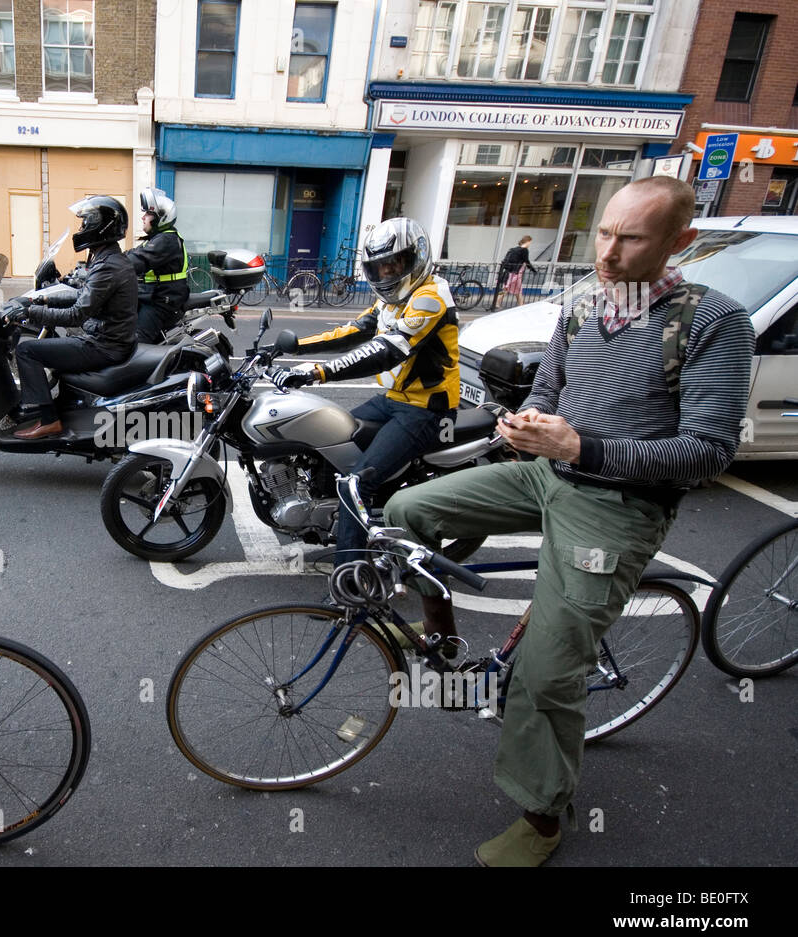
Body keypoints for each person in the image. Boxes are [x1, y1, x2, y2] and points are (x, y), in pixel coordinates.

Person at [382, 176, 755, 866]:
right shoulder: (585, 303)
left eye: (631, 238)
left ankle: (543, 816)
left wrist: (581, 446)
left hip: (617, 503)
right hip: (545, 471)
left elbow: (708, 451)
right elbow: (551, 391)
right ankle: (444, 640)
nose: (608, 253)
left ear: (681, 240)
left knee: (547, 676)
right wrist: (524, 423)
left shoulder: (713, 321)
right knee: (405, 511)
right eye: (605, 232)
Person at [272, 218, 459, 567]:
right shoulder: (391, 301)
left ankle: (352, 572)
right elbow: (353, 331)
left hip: (424, 410)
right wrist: (295, 347)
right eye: (378, 267)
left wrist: (316, 373)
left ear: (415, 258)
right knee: (330, 442)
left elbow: (386, 351)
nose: (386, 273)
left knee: (355, 485)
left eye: (394, 264)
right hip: (393, 401)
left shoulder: (429, 299)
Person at [11, 196, 137, 439]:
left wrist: (29, 312)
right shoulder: (109, 258)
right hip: (111, 339)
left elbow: (77, 314)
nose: (81, 230)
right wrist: (42, 300)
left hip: (103, 345)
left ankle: (49, 420)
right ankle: (59, 408)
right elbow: (84, 295)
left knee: (27, 351)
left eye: (86, 224)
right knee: (53, 348)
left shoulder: (108, 265)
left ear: (100, 228)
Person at [125, 187, 189, 343]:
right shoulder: (156, 239)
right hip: (152, 294)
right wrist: (107, 260)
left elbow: (139, 260)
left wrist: (112, 267)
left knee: (136, 341)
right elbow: (133, 254)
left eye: (148, 214)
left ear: (162, 217)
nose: (143, 217)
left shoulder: (166, 240)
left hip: (163, 299)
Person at [495, 235, 538, 309]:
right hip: (516, 273)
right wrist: (533, 270)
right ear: (527, 242)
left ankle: (521, 305)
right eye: (530, 242)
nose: (530, 244)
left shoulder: (513, 249)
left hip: (510, 272)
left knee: (514, 289)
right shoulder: (524, 250)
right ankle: (497, 303)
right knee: (509, 289)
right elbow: (526, 261)